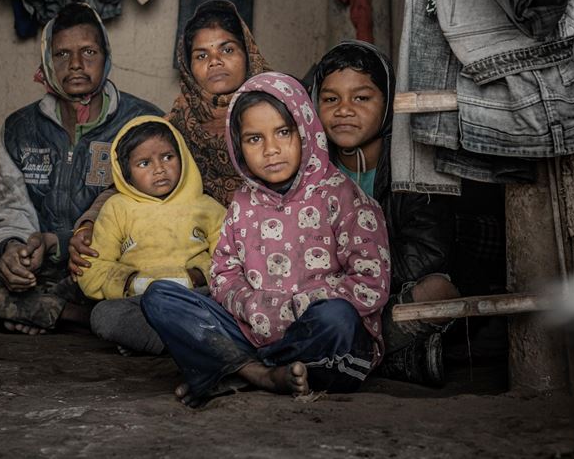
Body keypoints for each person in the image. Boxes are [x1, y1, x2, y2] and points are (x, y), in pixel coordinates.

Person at [0, 3, 162, 334]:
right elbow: (12, 212)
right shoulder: (20, 128)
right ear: (47, 63)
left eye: (88, 52)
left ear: (106, 57)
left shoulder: (142, 121)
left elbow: (151, 216)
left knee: (155, 289)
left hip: (109, 269)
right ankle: (58, 312)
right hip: (44, 277)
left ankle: (35, 310)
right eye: (62, 55)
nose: (77, 65)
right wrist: (14, 251)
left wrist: (63, 243)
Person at [141, 72, 391, 406]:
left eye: (283, 133)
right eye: (254, 139)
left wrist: (290, 308)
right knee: (160, 297)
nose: (271, 150)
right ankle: (260, 374)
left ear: (305, 131)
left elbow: (370, 282)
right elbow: (224, 274)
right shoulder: (243, 202)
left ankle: (234, 370)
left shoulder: (342, 196)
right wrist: (252, 306)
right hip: (252, 332)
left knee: (337, 319)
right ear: (239, 146)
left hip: (317, 335)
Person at [68, 0, 269, 275]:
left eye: (227, 49)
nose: (215, 61)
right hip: (198, 259)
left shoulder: (278, 110)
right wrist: (89, 224)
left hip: (274, 247)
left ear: (248, 53)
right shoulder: (177, 124)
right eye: (201, 55)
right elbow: (127, 183)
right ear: (187, 66)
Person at [311, 41, 458, 385]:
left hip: (388, 293)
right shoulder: (313, 169)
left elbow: (428, 253)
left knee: (438, 292)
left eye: (361, 98)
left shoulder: (413, 165)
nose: (344, 109)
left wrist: (362, 280)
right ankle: (396, 359)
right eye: (331, 99)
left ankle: (355, 354)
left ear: (389, 103)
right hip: (328, 300)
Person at [77, 116, 227, 355]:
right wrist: (129, 283)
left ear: (183, 157)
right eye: (144, 163)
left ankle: (156, 343)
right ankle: (192, 344)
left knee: (226, 303)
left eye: (168, 157)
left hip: (194, 296)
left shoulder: (207, 207)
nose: (159, 169)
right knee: (104, 315)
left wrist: (198, 276)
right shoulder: (117, 208)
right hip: (140, 299)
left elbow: (230, 259)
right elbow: (93, 268)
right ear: (126, 173)